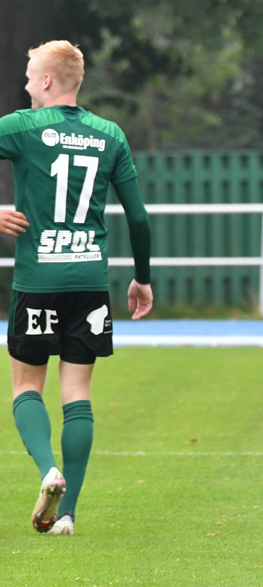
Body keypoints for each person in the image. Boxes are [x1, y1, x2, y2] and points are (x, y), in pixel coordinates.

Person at [0, 40, 152, 535]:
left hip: (37, 279)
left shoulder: (21, 127)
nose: (26, 85)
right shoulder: (110, 134)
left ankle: (49, 471)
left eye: (29, 76)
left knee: (26, 386)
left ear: (47, 80)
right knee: (78, 393)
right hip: (89, 281)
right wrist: (143, 277)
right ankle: (67, 515)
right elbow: (139, 218)